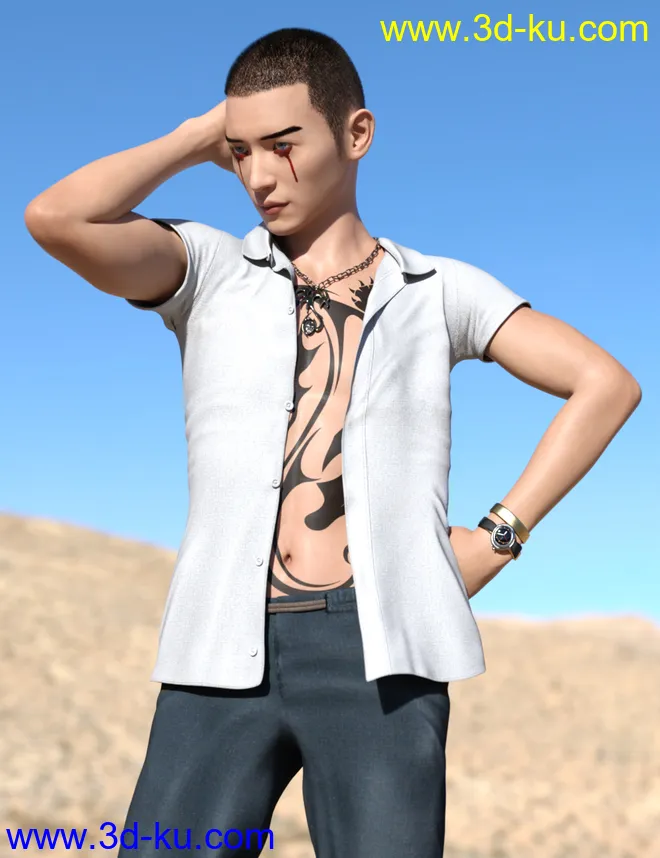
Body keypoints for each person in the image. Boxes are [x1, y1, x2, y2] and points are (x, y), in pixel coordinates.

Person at [24, 26, 641, 858]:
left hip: (379, 651)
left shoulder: (439, 290)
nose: (258, 176)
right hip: (219, 645)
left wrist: (499, 536)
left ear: (357, 134)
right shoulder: (208, 270)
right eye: (241, 152)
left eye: (283, 145)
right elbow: (56, 218)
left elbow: (605, 384)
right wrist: (196, 136)